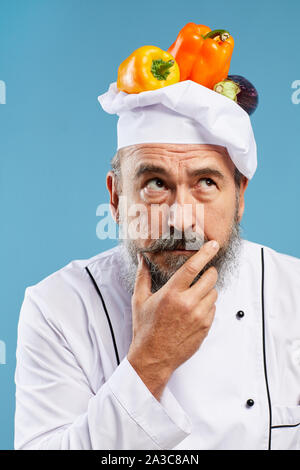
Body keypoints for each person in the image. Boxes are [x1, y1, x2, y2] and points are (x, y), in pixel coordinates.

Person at [14, 80, 300, 450]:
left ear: (240, 195)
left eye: (206, 182)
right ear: (116, 198)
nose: (181, 220)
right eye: (154, 184)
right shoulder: (59, 308)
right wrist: (151, 361)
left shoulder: (294, 294)